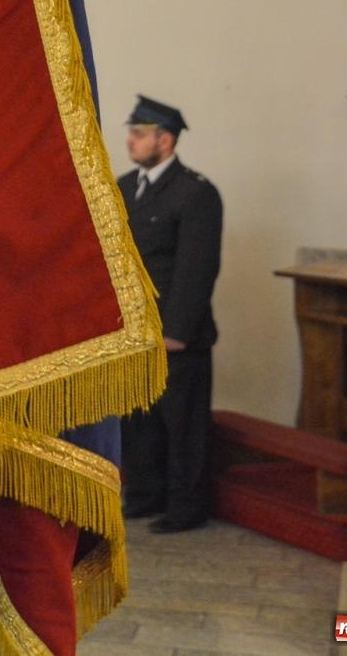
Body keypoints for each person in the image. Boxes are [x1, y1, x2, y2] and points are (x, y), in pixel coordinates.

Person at [118, 95, 223, 533]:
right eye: (132, 133)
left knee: (182, 423)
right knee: (137, 420)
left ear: (166, 140)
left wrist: (177, 329)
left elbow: (196, 268)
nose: (130, 141)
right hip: (133, 329)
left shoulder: (195, 192)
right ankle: (144, 495)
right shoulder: (124, 187)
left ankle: (186, 506)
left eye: (140, 134)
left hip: (175, 334)